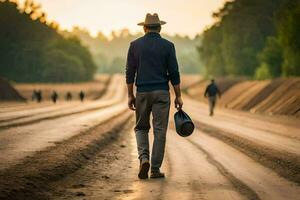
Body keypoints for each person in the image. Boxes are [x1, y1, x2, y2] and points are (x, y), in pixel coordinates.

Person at [126, 13, 183, 179]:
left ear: (144, 28)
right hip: (162, 93)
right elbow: (174, 73)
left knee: (141, 128)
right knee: (160, 131)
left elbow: (130, 72)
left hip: (142, 92)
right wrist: (178, 96)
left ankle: (144, 158)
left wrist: (130, 95)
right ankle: (155, 169)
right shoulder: (168, 46)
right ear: (160, 28)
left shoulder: (135, 45)